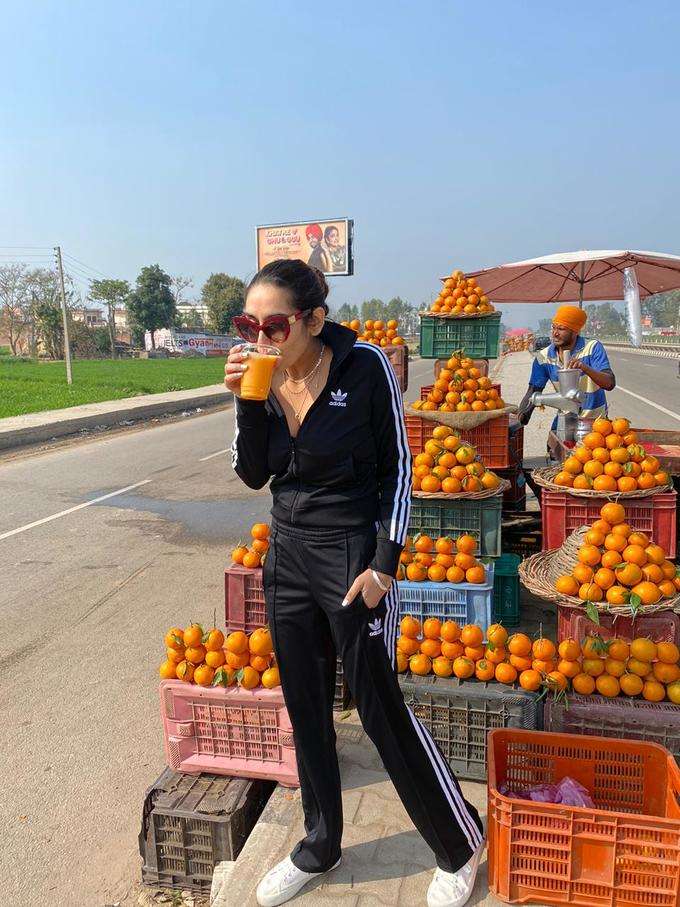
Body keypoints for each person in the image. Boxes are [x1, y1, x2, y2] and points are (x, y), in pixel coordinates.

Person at [225, 259, 484, 907]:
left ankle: (459, 841)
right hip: (285, 552)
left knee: (378, 704)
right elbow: (253, 475)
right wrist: (244, 405)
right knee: (304, 701)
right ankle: (320, 842)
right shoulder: (261, 375)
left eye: (275, 324)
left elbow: (399, 469)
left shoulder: (363, 366)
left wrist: (385, 562)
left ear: (314, 318)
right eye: (248, 323)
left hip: (352, 554)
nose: (261, 336)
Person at [517, 305, 616, 431]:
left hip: (596, 424)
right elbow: (533, 391)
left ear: (575, 331)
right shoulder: (543, 357)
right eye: (554, 328)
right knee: (552, 447)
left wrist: (584, 368)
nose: (555, 333)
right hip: (565, 421)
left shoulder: (592, 348)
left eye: (561, 329)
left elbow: (609, 383)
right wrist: (522, 417)